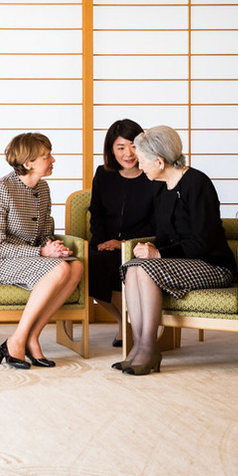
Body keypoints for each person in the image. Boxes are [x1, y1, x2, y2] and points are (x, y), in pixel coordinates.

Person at [117, 125, 235, 376]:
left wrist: (158, 255)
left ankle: (149, 347)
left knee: (146, 269)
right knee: (132, 267)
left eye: (143, 161)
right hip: (183, 262)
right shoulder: (160, 186)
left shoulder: (197, 183)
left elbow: (204, 240)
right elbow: (164, 236)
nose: (140, 167)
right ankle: (139, 346)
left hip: (213, 265)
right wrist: (152, 247)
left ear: (159, 161)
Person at [0, 132, 84, 369]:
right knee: (58, 271)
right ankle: (16, 340)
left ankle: (32, 338)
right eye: (47, 156)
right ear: (28, 163)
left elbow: (44, 231)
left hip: (29, 259)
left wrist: (52, 246)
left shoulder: (43, 189)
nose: (53, 159)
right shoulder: (1, 189)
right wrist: (41, 254)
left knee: (75, 266)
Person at [88, 119, 160, 347]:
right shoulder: (103, 174)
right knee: (88, 266)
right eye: (120, 147)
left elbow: (157, 223)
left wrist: (124, 244)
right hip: (104, 243)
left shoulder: (153, 176)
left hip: (139, 245)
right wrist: (101, 241)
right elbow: (96, 213)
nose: (128, 153)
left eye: (133, 146)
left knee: (117, 264)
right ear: (111, 150)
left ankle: (130, 325)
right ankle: (124, 321)